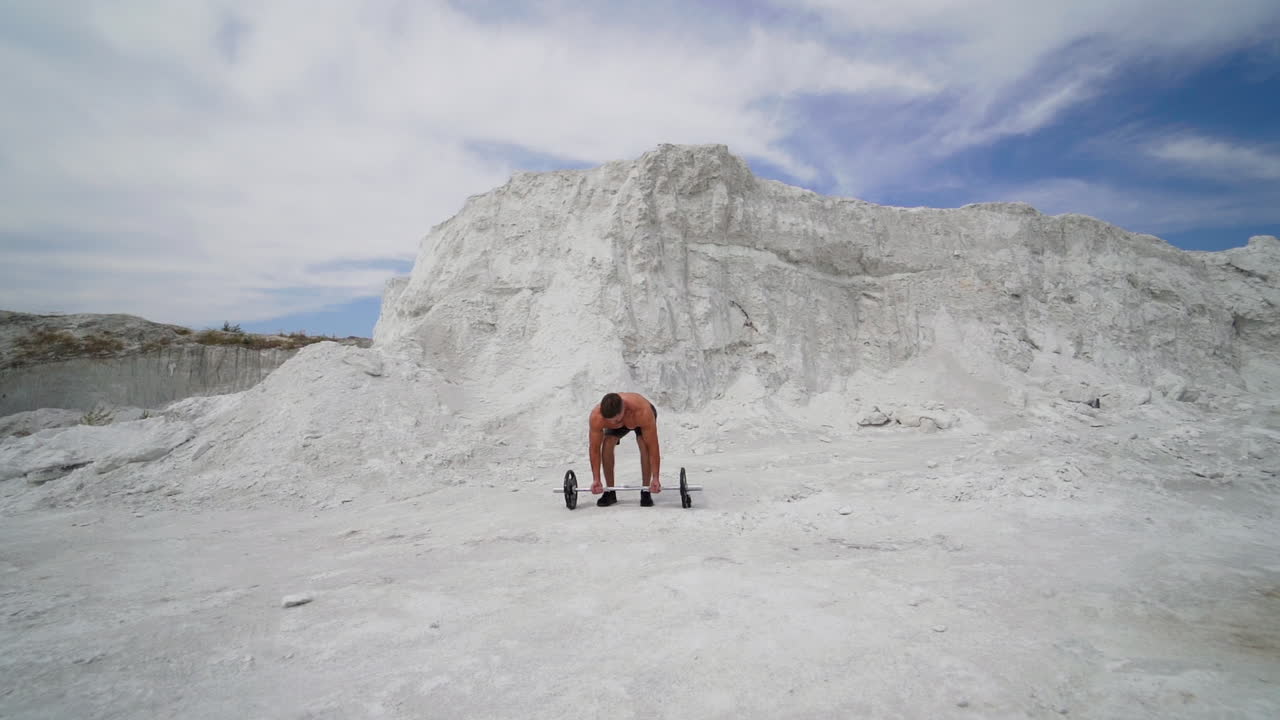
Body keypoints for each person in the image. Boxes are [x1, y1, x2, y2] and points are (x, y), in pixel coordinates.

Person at [588, 392, 661, 507]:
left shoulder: (643, 411)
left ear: (624, 409)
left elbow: (653, 446)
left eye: (616, 420)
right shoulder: (597, 417)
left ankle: (645, 490)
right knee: (607, 443)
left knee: (644, 444)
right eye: (610, 421)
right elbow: (594, 450)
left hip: (639, 419)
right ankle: (610, 492)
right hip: (623, 417)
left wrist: (656, 478)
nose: (613, 423)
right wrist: (596, 479)